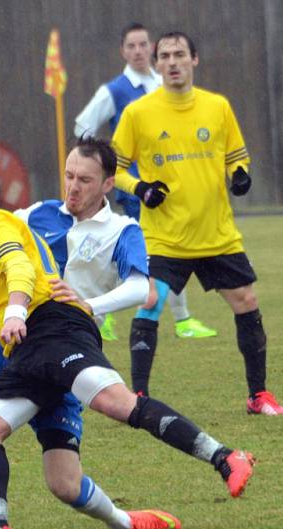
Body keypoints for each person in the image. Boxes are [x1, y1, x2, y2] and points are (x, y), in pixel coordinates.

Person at [0, 138, 256, 529]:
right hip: (23, 343)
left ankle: (226, 457)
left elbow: (27, 263)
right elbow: (5, 249)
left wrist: (59, 307)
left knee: (115, 404)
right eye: (68, 175)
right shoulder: (37, 214)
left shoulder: (121, 229)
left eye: (84, 179)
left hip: (59, 329)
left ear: (107, 184)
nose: (72, 186)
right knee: (7, 444)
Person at [111, 31, 283, 415]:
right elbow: (117, 169)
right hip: (164, 236)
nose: (172, 62)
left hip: (216, 234)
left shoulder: (217, 107)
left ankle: (258, 396)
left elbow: (236, 156)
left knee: (247, 301)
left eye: (179, 54)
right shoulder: (138, 113)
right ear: (156, 65)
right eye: (164, 56)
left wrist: (239, 174)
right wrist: (140, 188)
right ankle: (137, 398)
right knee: (150, 302)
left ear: (195, 59)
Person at [74, 22, 216, 341]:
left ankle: (168, 319)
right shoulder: (114, 91)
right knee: (156, 255)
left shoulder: (163, 84)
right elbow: (83, 126)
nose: (138, 51)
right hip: (137, 190)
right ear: (122, 52)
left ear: (151, 49)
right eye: (131, 46)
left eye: (143, 45)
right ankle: (173, 319)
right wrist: (101, 165)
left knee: (163, 254)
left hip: (172, 189)